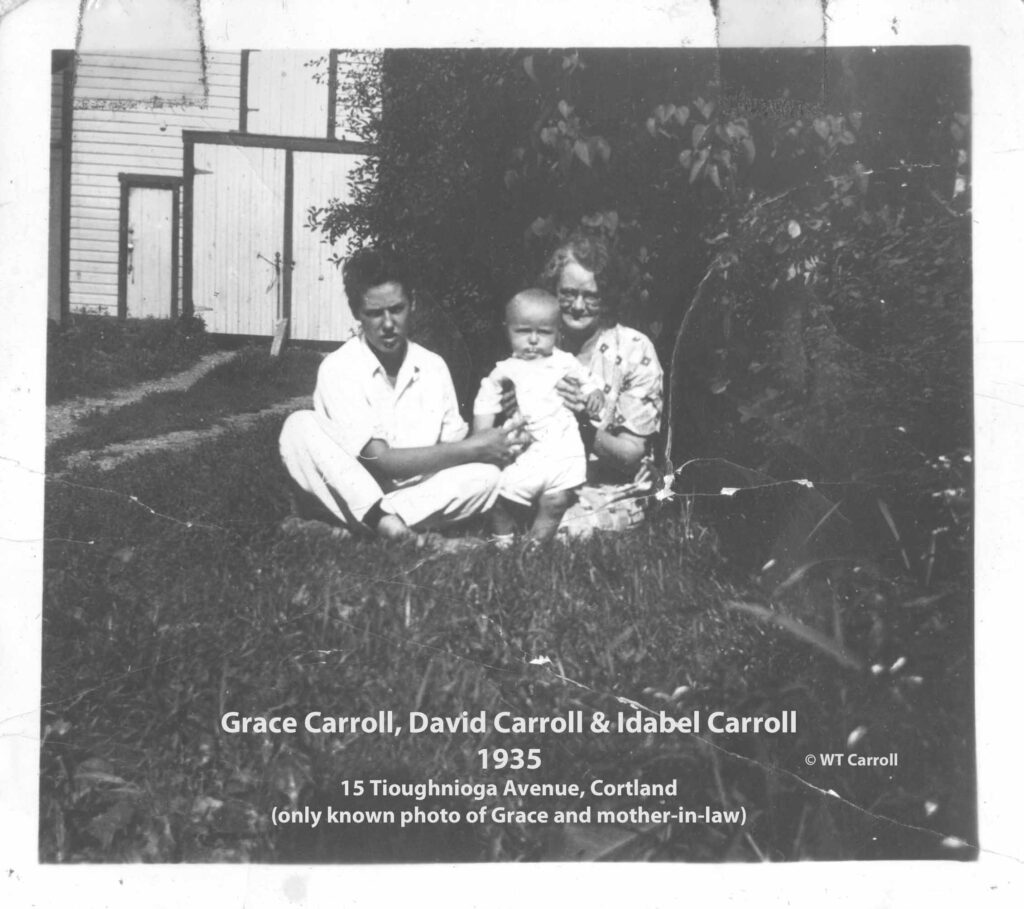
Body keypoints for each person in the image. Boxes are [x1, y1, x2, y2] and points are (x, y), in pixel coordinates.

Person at [278, 247, 523, 544]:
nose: (388, 324)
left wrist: (496, 423)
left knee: (489, 477)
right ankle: (393, 530)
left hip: (414, 497)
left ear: (413, 303)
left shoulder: (432, 366)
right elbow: (379, 460)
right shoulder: (338, 368)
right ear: (356, 312)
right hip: (356, 489)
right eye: (374, 313)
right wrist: (476, 448)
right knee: (300, 425)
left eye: (396, 309)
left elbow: (454, 448)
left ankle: (366, 531)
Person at [535, 233, 665, 537]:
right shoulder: (537, 343)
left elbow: (630, 455)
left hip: (609, 485)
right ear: (553, 292)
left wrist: (581, 424)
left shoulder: (634, 349)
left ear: (605, 297)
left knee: (562, 530)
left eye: (590, 296)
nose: (578, 306)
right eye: (567, 294)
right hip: (542, 480)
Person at [473, 289, 604, 544]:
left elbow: (587, 380)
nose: (533, 340)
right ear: (508, 330)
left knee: (555, 502)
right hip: (526, 450)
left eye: (543, 333)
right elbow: (486, 399)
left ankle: (534, 548)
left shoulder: (564, 361)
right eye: (523, 331)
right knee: (500, 498)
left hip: (561, 449)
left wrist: (594, 393)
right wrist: (483, 433)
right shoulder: (506, 369)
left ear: (556, 333)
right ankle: (503, 543)